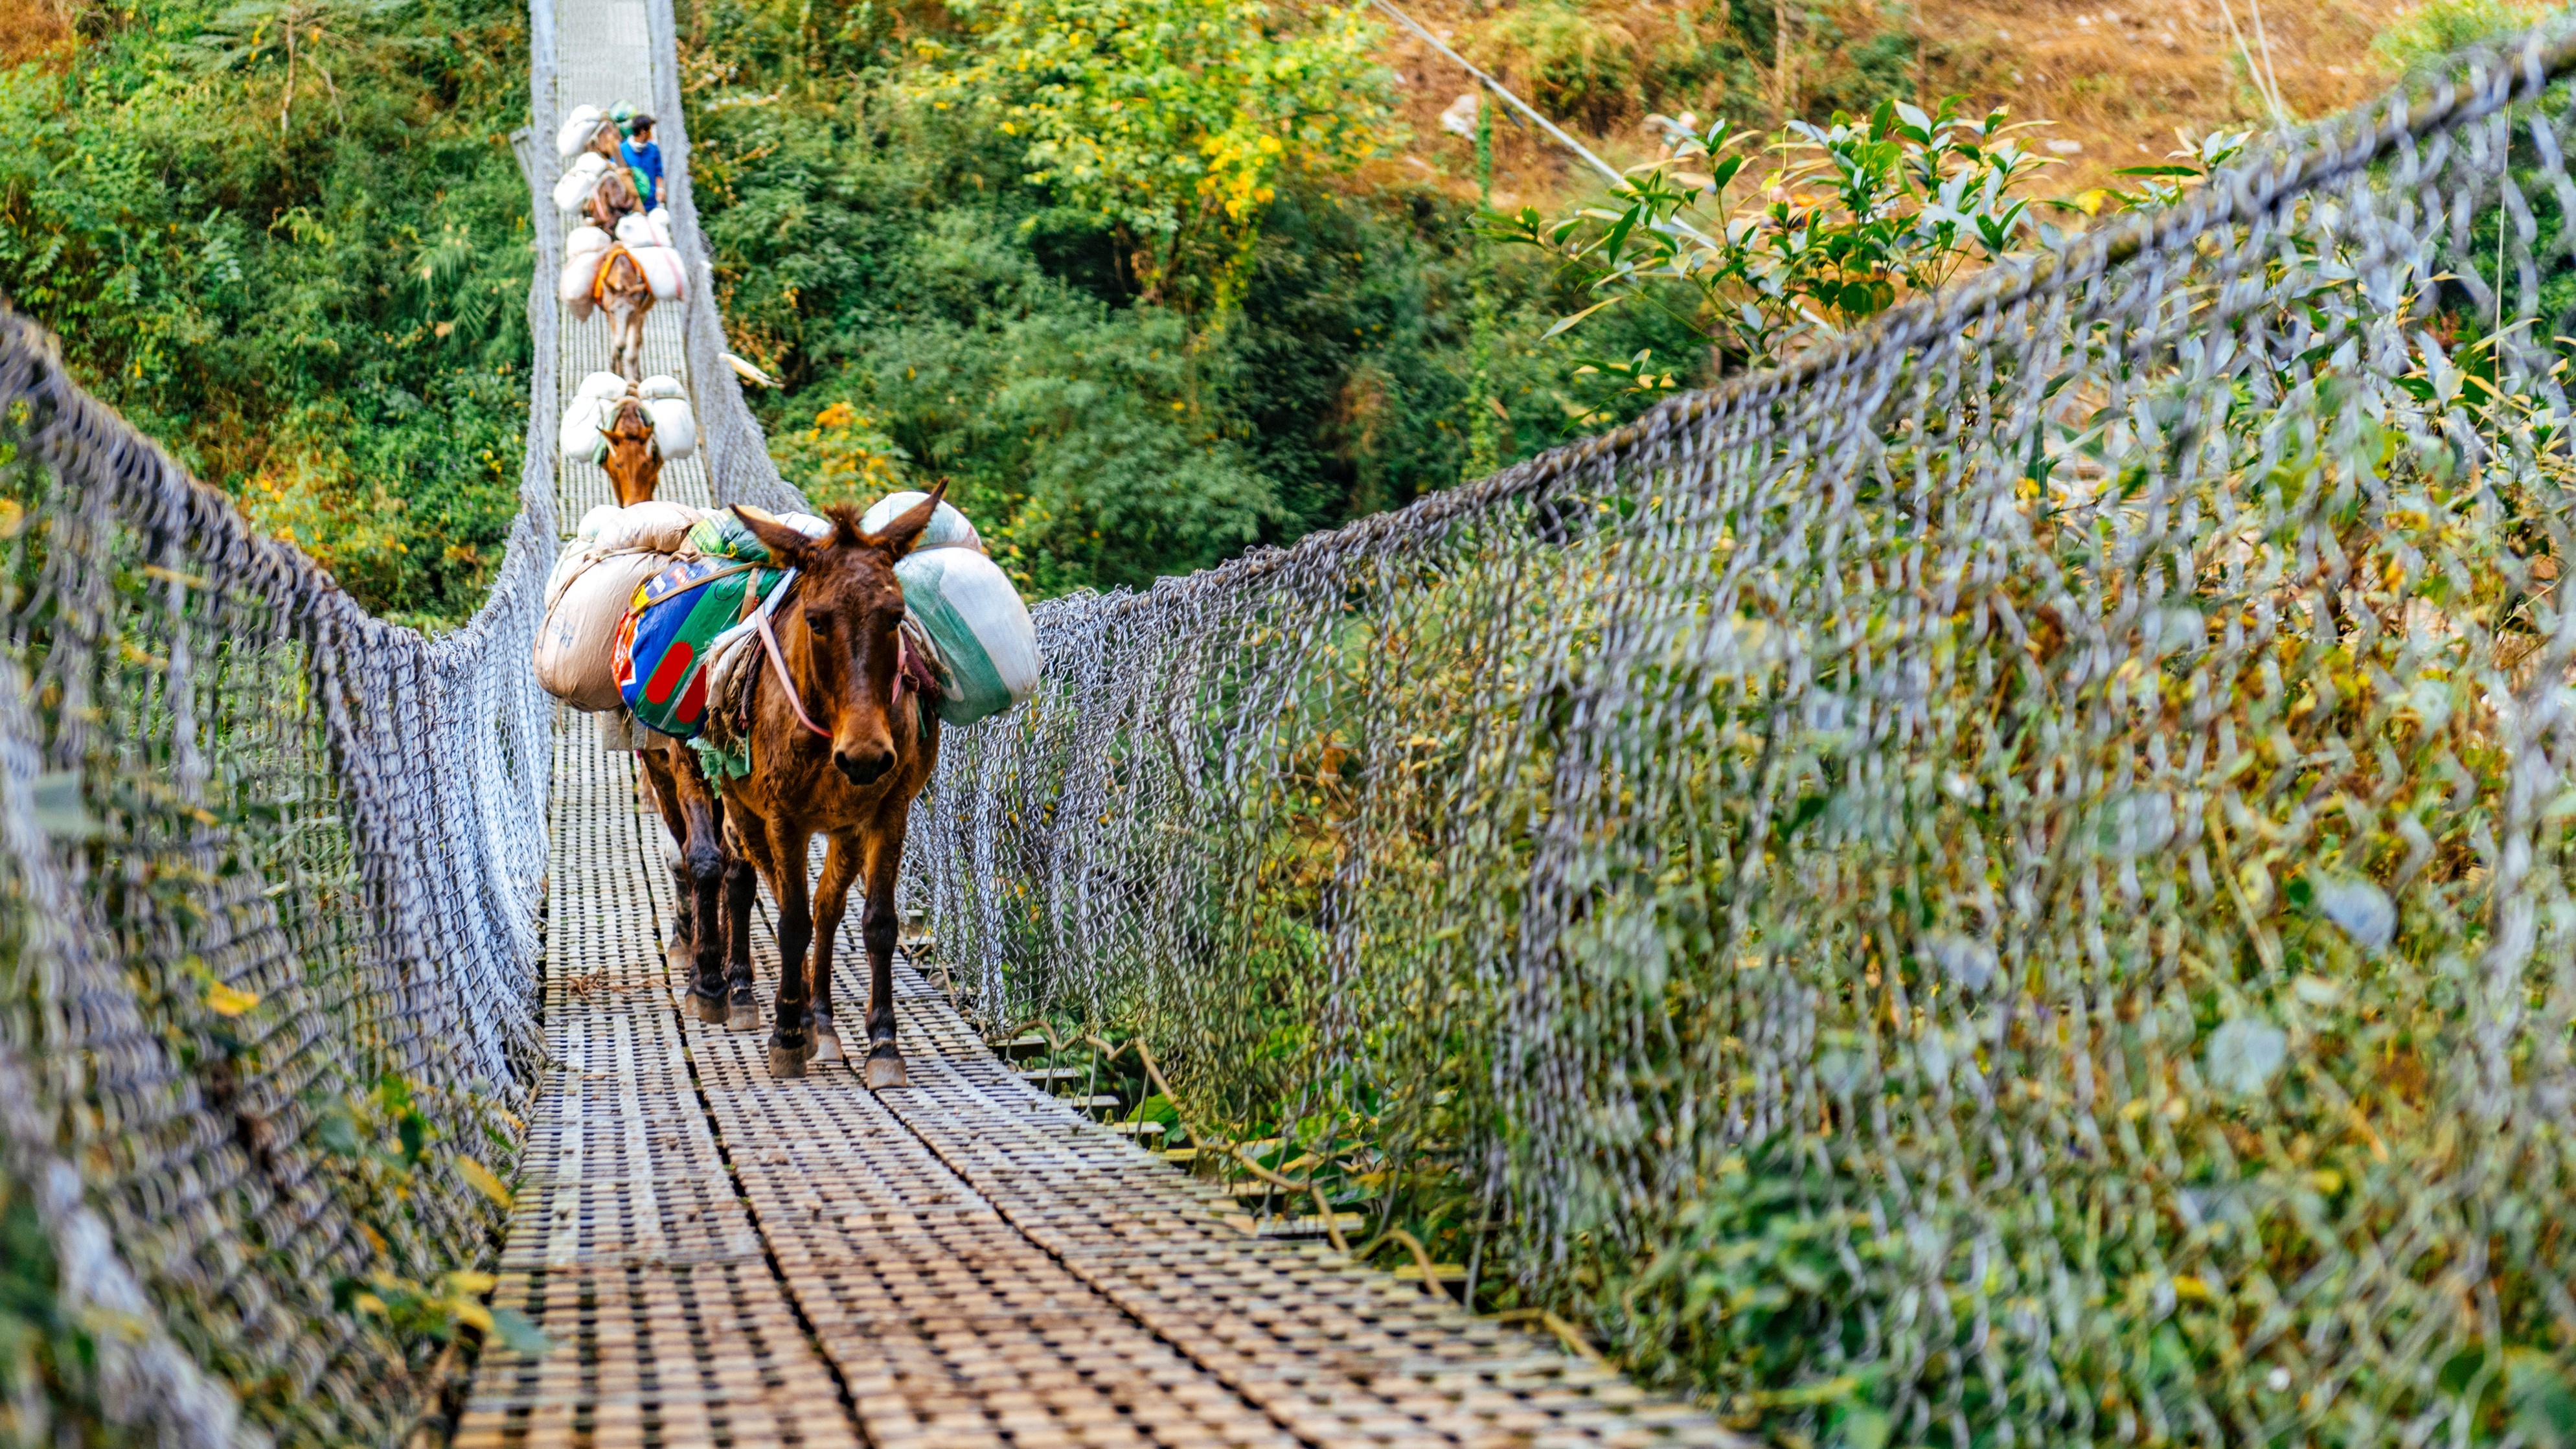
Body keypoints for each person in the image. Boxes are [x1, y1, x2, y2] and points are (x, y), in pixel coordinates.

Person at [613, 106, 663, 211]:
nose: (651, 134)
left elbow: (659, 172)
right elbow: (613, 173)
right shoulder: (622, 150)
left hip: (651, 206)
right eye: (650, 130)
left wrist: (660, 189)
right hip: (630, 208)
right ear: (643, 132)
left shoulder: (653, 150)